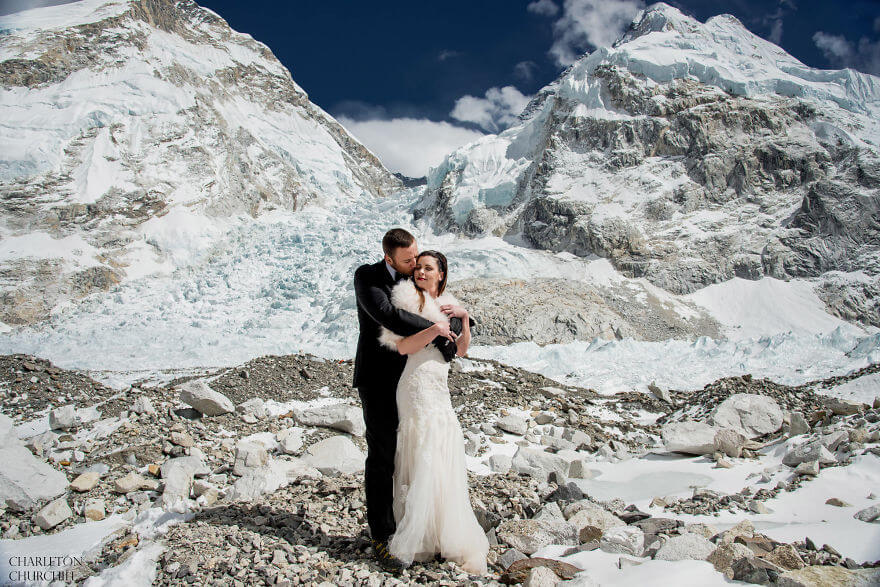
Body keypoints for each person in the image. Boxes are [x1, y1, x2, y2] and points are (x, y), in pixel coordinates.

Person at [353, 229, 459, 571]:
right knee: (383, 455)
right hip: (380, 379)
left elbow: (437, 301)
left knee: (417, 453)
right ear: (389, 258)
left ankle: (421, 530)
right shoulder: (367, 277)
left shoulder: (412, 281)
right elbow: (389, 317)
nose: (415, 266)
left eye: (417, 257)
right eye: (408, 260)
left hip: (412, 379)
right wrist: (437, 330)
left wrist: (452, 321)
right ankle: (382, 537)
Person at [378, 250, 489, 576]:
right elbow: (401, 346)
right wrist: (434, 329)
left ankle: (443, 532)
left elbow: (461, 350)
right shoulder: (405, 299)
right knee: (422, 452)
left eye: (428, 268)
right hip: (414, 386)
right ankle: (421, 536)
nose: (421, 272)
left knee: (442, 451)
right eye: (418, 268)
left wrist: (464, 319)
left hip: (439, 387)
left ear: (441, 273)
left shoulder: (451, 304)